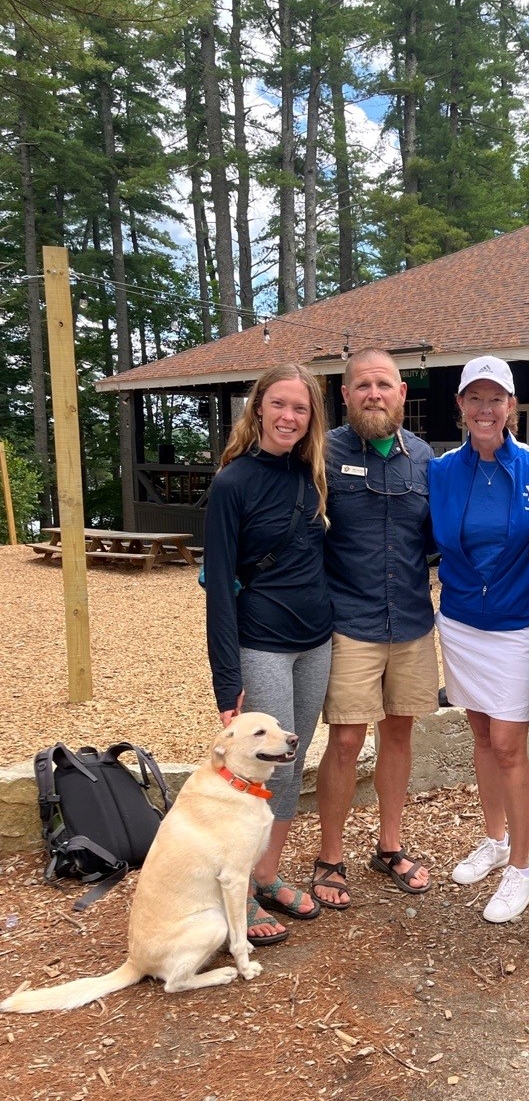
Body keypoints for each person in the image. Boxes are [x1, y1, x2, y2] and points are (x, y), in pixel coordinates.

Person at [203, 363, 334, 945]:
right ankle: (237, 883)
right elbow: (218, 589)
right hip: (261, 644)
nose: (288, 417)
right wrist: (226, 679)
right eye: (279, 405)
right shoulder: (233, 484)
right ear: (258, 408)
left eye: (300, 409)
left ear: (311, 419)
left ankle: (265, 875)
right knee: (252, 770)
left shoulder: (313, 475)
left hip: (317, 642)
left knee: (289, 761)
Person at [428, 357, 529, 923]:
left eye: (496, 399)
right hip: (459, 622)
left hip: (516, 625)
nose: (486, 409)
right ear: (461, 406)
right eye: (475, 398)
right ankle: (495, 840)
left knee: (509, 744)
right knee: (481, 733)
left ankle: (523, 870)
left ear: (511, 405)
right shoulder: (439, 471)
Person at [312, 348, 438, 907]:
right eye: (362, 385)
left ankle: (389, 846)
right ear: (345, 395)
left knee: (400, 734)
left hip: (411, 620)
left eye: (384, 384)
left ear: (402, 393)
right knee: (344, 739)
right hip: (350, 621)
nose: (374, 394)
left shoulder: (425, 459)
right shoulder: (321, 453)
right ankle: (330, 856)